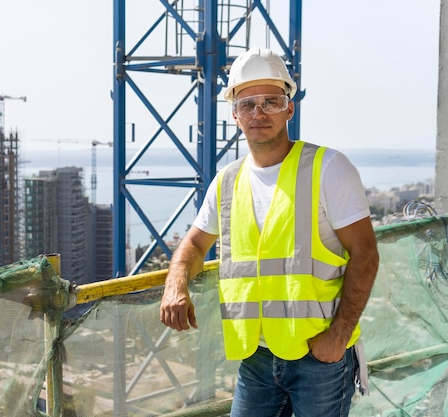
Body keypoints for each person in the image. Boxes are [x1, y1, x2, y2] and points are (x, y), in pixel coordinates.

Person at [159, 48, 379, 417]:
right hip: (256, 358)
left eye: (270, 102)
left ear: (289, 108)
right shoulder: (226, 182)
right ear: (235, 115)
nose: (258, 113)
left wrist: (338, 336)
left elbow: (366, 254)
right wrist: (175, 283)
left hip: (318, 356)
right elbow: (194, 244)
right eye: (247, 104)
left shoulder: (329, 168)